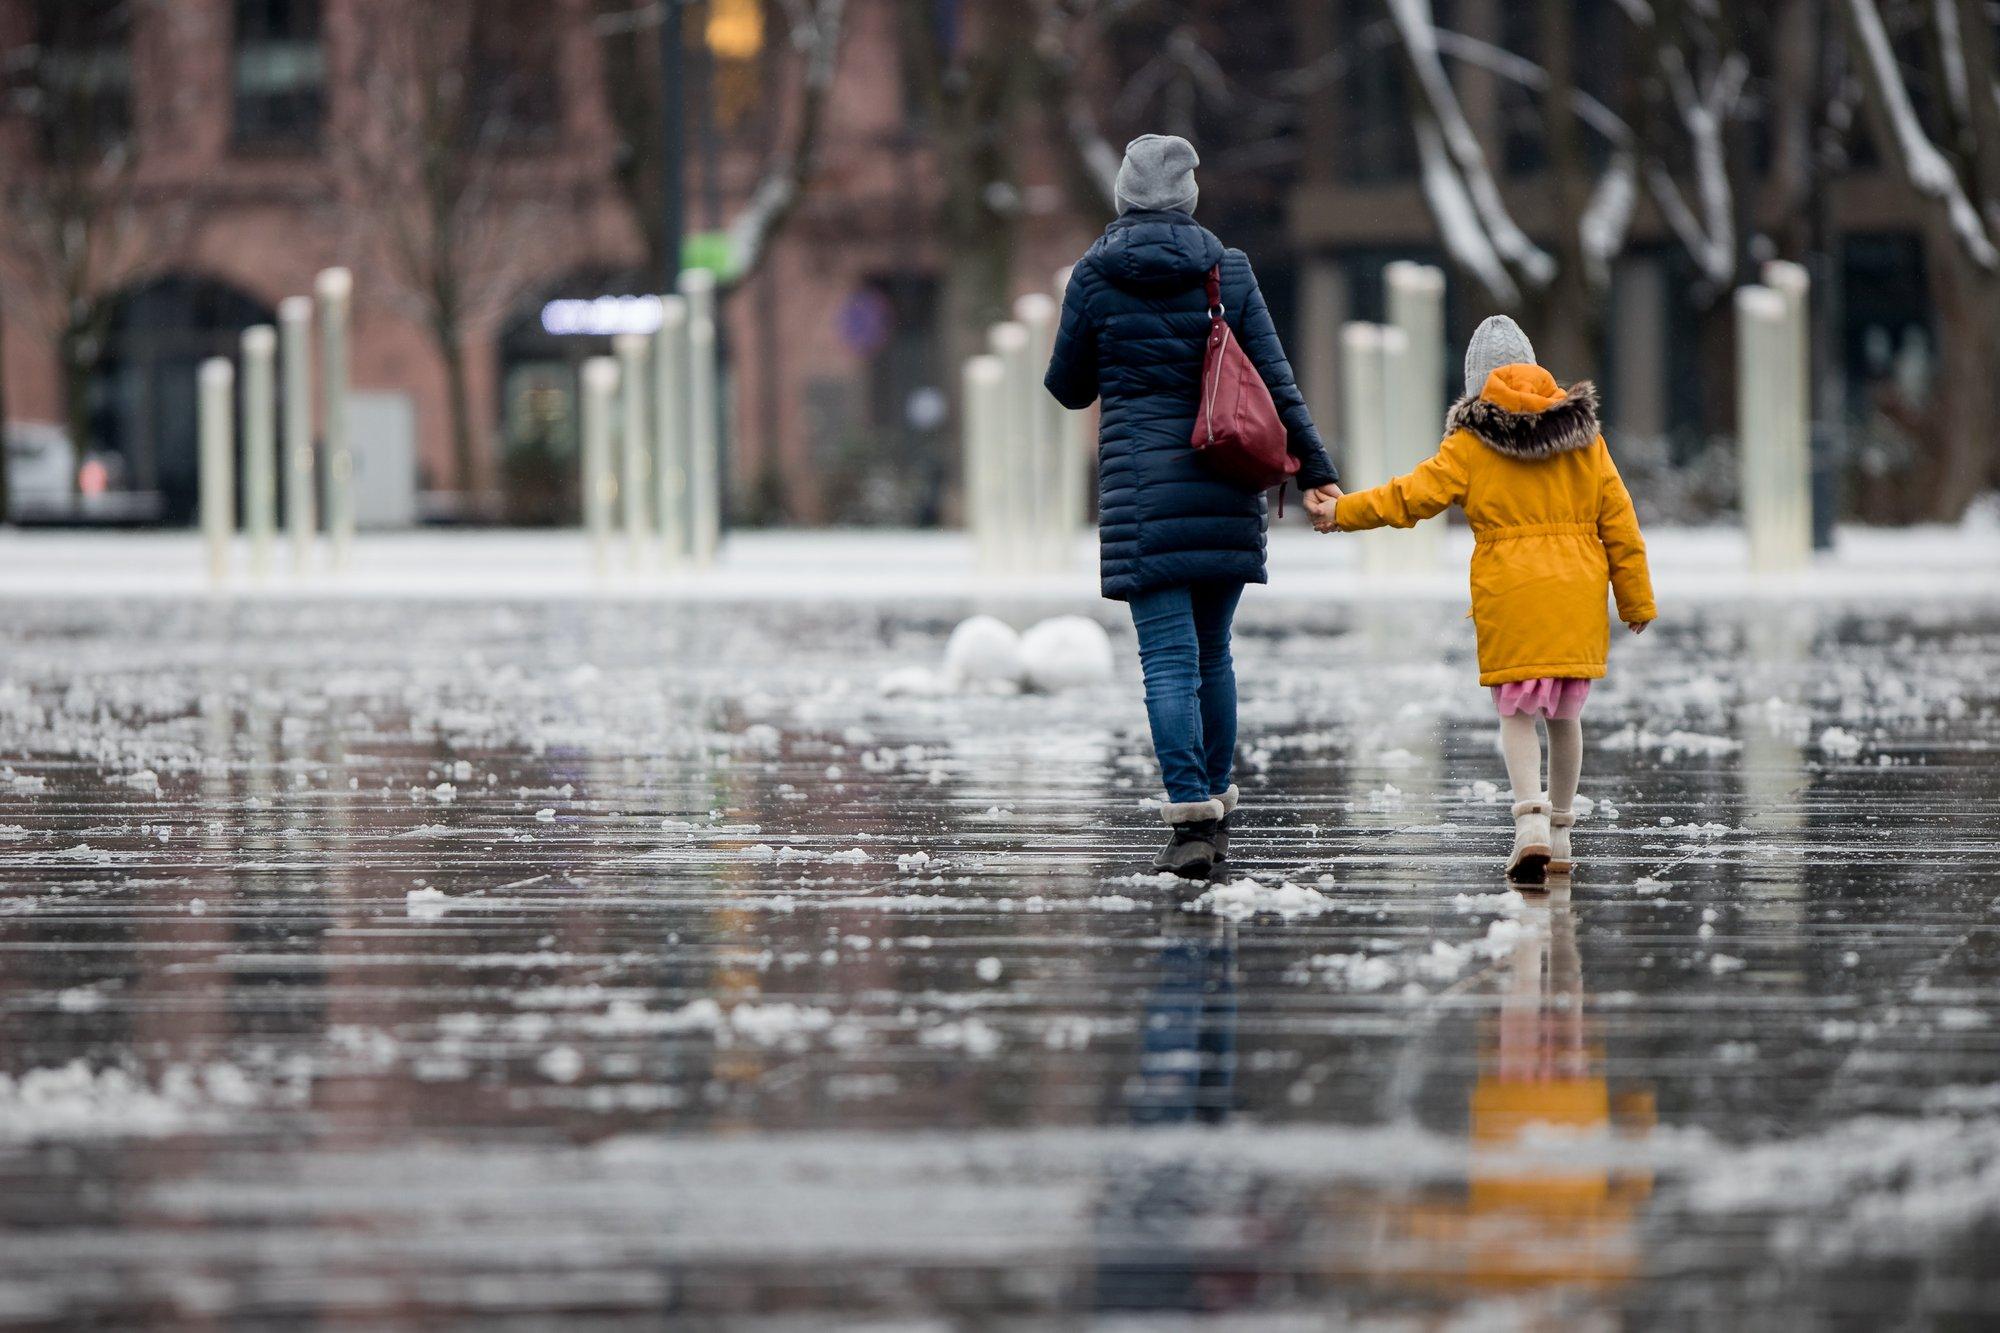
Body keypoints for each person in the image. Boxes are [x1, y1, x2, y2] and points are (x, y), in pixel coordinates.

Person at [1044, 134, 1341, 879]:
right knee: (1213, 655)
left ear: (1122, 194)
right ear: (1188, 196)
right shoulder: (1226, 269)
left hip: (1143, 497)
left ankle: (1189, 825)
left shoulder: (1093, 274)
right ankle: (1216, 810)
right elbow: (1275, 380)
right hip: (1225, 481)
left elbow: (1069, 384)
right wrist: (1318, 474)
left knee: (1168, 663)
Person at [1311, 316, 1656, 885]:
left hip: (1511, 591)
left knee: (1517, 711)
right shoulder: (1585, 438)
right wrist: (1636, 599)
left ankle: (1530, 824)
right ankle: (1563, 832)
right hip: (1576, 592)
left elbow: (1411, 497)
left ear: (1476, 385)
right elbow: (1620, 521)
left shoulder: (1470, 445)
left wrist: (1342, 512)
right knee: (1566, 716)